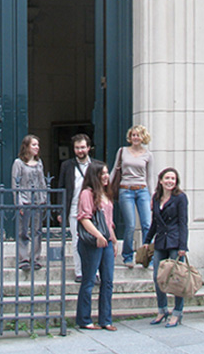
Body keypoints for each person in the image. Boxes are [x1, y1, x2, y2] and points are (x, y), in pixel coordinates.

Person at [76, 161, 118, 331]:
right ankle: (84, 319)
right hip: (92, 243)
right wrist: (99, 236)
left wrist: (113, 240)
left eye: (107, 173)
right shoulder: (87, 193)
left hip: (106, 241)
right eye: (103, 174)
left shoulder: (106, 193)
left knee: (108, 281)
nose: (106, 176)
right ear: (95, 176)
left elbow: (109, 222)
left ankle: (106, 319)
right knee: (89, 280)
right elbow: (84, 218)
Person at [144, 167, 188, 328]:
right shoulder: (156, 197)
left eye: (173, 179)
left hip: (176, 242)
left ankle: (177, 312)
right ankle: (162, 310)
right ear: (161, 180)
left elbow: (183, 222)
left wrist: (183, 245)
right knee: (158, 277)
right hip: (161, 241)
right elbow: (155, 221)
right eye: (167, 178)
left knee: (177, 278)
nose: (170, 181)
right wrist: (147, 240)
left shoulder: (180, 198)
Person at [110, 124, 154, 268]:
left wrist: (152, 196)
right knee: (130, 225)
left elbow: (150, 177)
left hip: (142, 190)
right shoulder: (122, 151)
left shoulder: (148, 155)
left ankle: (148, 257)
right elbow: (114, 170)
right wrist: (107, 189)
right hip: (126, 189)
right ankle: (128, 256)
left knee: (147, 224)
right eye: (133, 135)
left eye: (138, 135)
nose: (136, 138)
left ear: (143, 137)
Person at [57, 133, 95, 281]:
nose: (80, 150)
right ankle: (79, 272)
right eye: (77, 148)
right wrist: (61, 211)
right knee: (76, 240)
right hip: (73, 208)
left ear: (89, 148)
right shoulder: (67, 166)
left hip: (92, 210)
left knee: (93, 240)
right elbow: (61, 187)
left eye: (83, 147)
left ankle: (94, 272)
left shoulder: (96, 165)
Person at [11, 134, 47, 271]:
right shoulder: (18, 163)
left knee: (37, 230)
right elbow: (15, 184)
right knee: (23, 230)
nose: (37, 147)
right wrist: (18, 202)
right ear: (26, 146)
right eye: (34, 145)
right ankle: (23, 258)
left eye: (37, 145)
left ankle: (36, 258)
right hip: (25, 200)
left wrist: (44, 198)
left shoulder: (39, 163)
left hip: (37, 201)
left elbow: (42, 182)